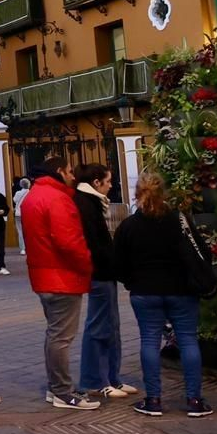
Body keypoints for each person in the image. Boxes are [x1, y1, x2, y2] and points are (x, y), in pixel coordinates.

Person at [113, 172, 214, 418]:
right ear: (164, 192)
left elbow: (118, 264)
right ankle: (194, 400)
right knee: (188, 340)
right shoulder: (179, 220)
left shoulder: (129, 225)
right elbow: (201, 252)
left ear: (137, 194)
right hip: (182, 290)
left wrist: (132, 281)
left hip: (145, 291)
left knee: (149, 341)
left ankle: (154, 400)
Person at [20, 155, 98, 410]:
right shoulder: (57, 198)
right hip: (62, 276)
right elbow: (69, 241)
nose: (73, 176)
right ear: (59, 171)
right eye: (69, 171)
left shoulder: (34, 196)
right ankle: (64, 391)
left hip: (43, 275)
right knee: (62, 337)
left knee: (54, 334)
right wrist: (87, 263)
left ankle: (56, 388)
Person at [74, 164, 137, 400]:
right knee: (99, 326)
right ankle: (95, 380)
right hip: (99, 273)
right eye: (108, 181)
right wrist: (110, 263)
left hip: (104, 272)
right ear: (97, 182)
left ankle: (112, 377)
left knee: (111, 325)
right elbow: (94, 243)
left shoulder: (92, 202)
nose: (111, 185)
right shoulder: (86, 204)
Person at [13, 177, 33, 256]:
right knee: (29, 231)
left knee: (20, 231)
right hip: (28, 214)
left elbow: (14, 200)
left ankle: (22, 249)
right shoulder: (31, 192)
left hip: (18, 213)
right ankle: (30, 247)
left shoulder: (18, 193)